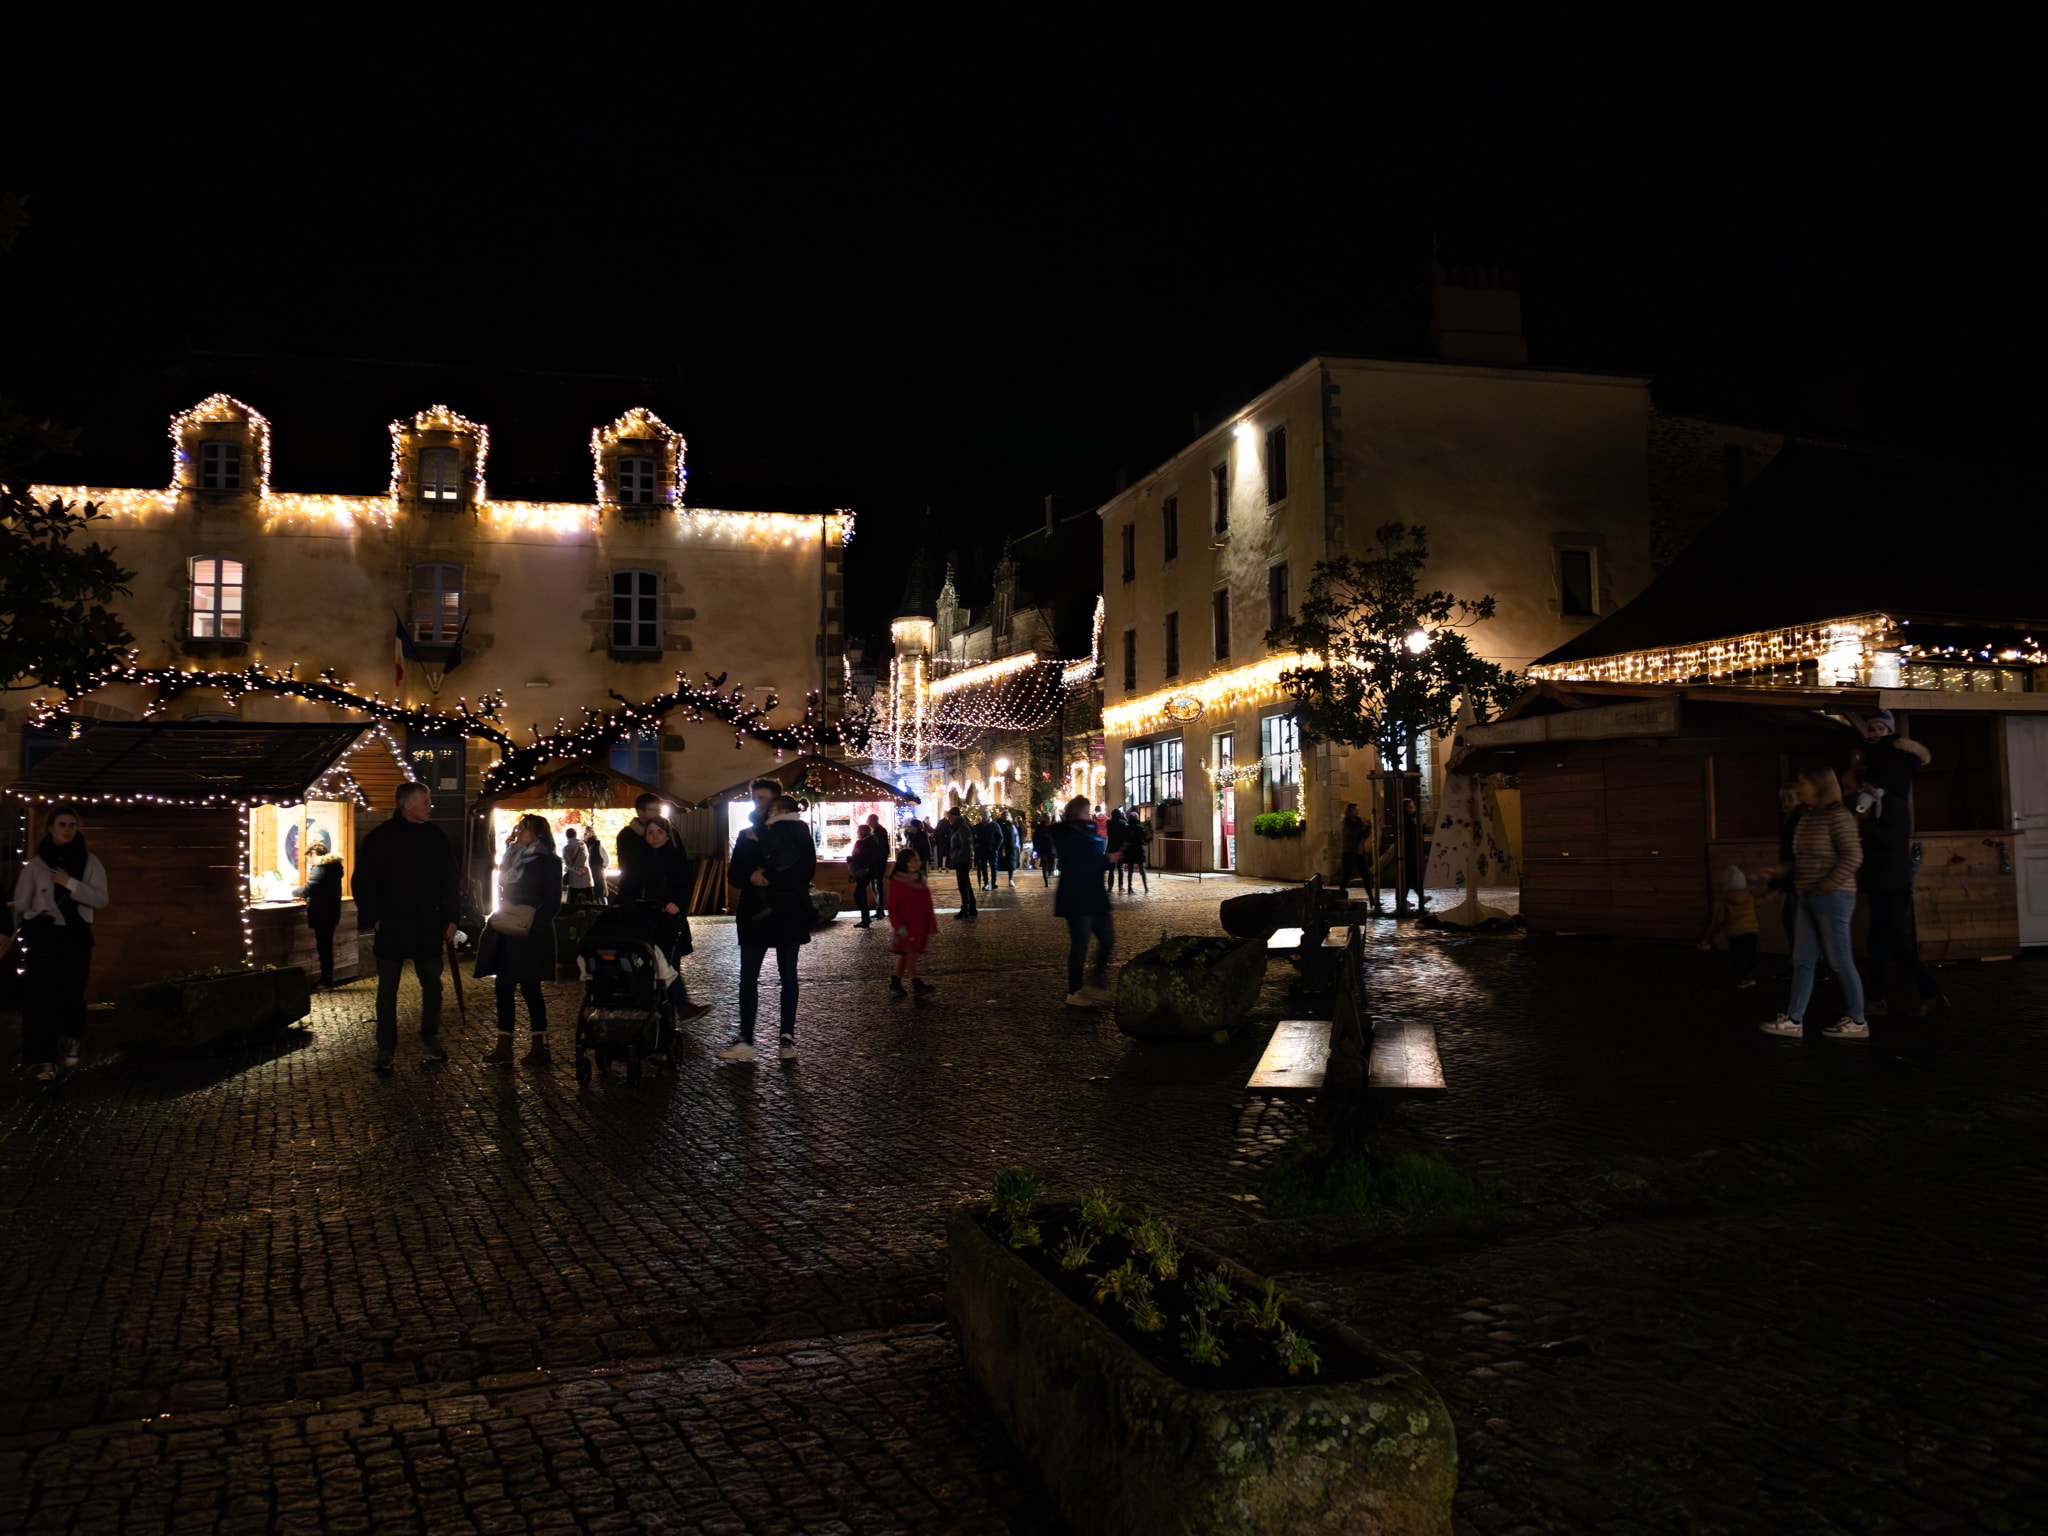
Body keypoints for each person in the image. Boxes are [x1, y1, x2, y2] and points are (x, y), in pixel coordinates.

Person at [353, 782, 461, 1072]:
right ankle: (386, 1047)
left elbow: (450, 879)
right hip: (393, 924)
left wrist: (451, 916)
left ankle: (430, 1034)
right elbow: (363, 881)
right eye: (424, 800)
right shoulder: (381, 838)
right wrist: (374, 916)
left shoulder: (435, 837)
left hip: (427, 924)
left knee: (433, 986)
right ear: (405, 803)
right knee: (388, 990)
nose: (429, 805)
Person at [1849, 710, 1947, 1017]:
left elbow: (1890, 842)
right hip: (1884, 881)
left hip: (1889, 882)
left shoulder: (1890, 805)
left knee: (1882, 943)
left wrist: (1863, 824)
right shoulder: (1883, 802)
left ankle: (1878, 999)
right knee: (1892, 944)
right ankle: (1924, 992)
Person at [1761, 768, 1869, 1040]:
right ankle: (1794, 1019)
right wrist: (1782, 872)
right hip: (1807, 896)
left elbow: (1853, 856)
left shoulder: (1838, 816)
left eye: (1805, 784)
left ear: (1820, 788)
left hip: (1832, 897)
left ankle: (1858, 1019)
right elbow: (1805, 859)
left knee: (1839, 960)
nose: (1799, 789)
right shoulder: (1807, 816)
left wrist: (1827, 885)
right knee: (1803, 960)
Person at [7, 803, 109, 1080]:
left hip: (75, 935)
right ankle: (44, 1060)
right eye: (62, 824)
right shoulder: (37, 865)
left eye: (71, 824)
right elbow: (22, 902)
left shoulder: (90, 862)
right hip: (44, 936)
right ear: (50, 828)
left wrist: (71, 883)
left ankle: (72, 1035)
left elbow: (101, 899)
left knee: (72, 992)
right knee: (41, 998)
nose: (67, 829)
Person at [721, 792, 815, 1062]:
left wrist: (769, 877)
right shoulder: (747, 834)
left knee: (788, 974)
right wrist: (751, 875)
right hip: (755, 914)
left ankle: (787, 1037)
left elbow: (806, 869)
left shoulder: (795, 831)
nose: (760, 802)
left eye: (765, 798)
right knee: (748, 976)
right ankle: (746, 1038)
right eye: (757, 798)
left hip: (787, 911)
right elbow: (735, 875)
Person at [476, 814, 562, 1066]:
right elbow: (503, 885)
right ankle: (504, 1046)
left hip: (530, 931)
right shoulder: (512, 856)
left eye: (524, 828)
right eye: (519, 827)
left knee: (530, 988)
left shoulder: (549, 861)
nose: (519, 831)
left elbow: (553, 901)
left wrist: (533, 925)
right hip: (507, 928)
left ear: (537, 833)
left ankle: (539, 1047)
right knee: (503, 986)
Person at [617, 815, 713, 1027]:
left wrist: (677, 903)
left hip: (668, 920)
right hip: (644, 918)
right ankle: (664, 1010)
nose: (654, 837)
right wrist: (621, 904)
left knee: (668, 963)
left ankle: (674, 1010)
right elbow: (629, 883)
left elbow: (684, 885)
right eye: (650, 833)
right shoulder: (640, 857)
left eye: (659, 832)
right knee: (652, 963)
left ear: (667, 835)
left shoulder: (675, 857)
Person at [1054, 796, 1114, 1006]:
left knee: (1107, 938)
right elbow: (1080, 863)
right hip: (1077, 897)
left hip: (1093, 895)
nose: (1090, 815)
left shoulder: (1086, 831)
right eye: (1087, 811)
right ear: (1078, 813)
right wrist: (1106, 859)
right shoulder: (1069, 835)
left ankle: (1096, 980)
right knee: (1080, 944)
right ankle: (1075, 990)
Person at [292, 835, 345, 988]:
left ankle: (325, 980)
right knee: (326, 946)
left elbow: (309, 888)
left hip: (322, 914)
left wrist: (291, 892)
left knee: (323, 947)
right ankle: (327, 977)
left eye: (309, 858)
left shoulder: (321, 868)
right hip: (330, 913)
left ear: (314, 853)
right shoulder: (333, 867)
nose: (309, 861)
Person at [887, 845, 938, 1000]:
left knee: (906, 953)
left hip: (919, 924)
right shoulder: (897, 882)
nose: (916, 863)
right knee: (910, 952)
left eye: (917, 860)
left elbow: (927, 903)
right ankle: (915, 981)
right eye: (912, 860)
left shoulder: (920, 879)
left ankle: (896, 980)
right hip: (905, 925)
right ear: (904, 863)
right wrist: (899, 926)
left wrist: (930, 923)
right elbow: (892, 906)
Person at [1701, 865, 1760, 988]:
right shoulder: (1749, 897)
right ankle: (1752, 976)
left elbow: (1719, 919)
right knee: (1750, 954)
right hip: (1752, 931)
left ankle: (1745, 978)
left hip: (1736, 933)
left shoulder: (1725, 900)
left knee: (1738, 957)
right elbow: (1762, 901)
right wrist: (1774, 893)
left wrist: (1710, 936)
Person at [614, 793, 665, 906]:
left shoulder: (669, 833)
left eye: (659, 810)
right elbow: (629, 866)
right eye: (654, 810)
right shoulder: (627, 835)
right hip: (633, 894)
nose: (658, 814)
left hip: (662, 896)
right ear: (640, 812)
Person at [850, 817, 886, 929]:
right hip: (870, 869)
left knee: (859, 894)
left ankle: (866, 918)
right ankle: (867, 917)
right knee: (863, 893)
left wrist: (852, 859)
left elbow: (864, 857)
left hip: (865, 870)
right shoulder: (872, 840)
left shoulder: (865, 843)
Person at [947, 809, 978, 919]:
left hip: (963, 860)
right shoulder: (958, 827)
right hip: (960, 859)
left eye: (950, 817)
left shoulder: (962, 827)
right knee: (966, 884)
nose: (949, 819)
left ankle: (965, 908)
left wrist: (958, 857)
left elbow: (965, 845)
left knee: (963, 885)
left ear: (955, 816)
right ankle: (972, 908)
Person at [1337, 802, 1373, 899]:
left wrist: (1368, 828)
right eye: (1355, 810)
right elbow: (1353, 835)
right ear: (1350, 811)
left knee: (1366, 876)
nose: (1357, 812)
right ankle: (1339, 897)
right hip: (1349, 852)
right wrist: (1363, 828)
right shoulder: (1346, 822)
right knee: (1346, 876)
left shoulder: (1359, 822)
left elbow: (1363, 837)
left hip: (1359, 852)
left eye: (1357, 810)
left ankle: (1371, 898)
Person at [562, 826, 596, 905]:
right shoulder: (583, 845)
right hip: (586, 878)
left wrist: (578, 871)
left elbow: (568, 864)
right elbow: (586, 859)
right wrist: (581, 870)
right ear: (575, 835)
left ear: (566, 836)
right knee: (590, 903)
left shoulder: (566, 848)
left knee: (573, 904)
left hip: (574, 880)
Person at [1124, 814, 1150, 894]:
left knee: (1130, 870)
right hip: (1138, 850)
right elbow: (1144, 839)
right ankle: (1145, 886)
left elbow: (1125, 838)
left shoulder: (1127, 828)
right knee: (1142, 868)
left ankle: (1129, 887)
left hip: (1130, 850)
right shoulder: (1139, 828)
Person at [1105, 808, 1129, 892]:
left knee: (1111, 869)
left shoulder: (1109, 823)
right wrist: (1124, 817)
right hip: (1120, 848)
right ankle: (1120, 886)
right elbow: (1127, 828)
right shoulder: (1123, 823)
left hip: (1111, 847)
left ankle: (1110, 887)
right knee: (1120, 869)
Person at [972, 813, 998, 891]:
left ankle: (993, 882)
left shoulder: (994, 825)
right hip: (982, 850)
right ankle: (986, 883)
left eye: (985, 815)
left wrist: (996, 847)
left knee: (993, 866)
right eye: (983, 815)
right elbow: (974, 837)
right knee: (983, 867)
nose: (983, 817)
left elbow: (1000, 837)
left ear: (989, 816)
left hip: (992, 850)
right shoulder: (978, 826)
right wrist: (976, 844)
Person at [1032, 813, 1057, 886]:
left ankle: (1048, 875)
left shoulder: (1053, 827)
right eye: (1047, 817)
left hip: (1052, 849)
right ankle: (1046, 879)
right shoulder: (1039, 828)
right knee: (1045, 864)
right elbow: (1035, 838)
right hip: (1043, 848)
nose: (1048, 819)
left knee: (1051, 865)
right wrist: (1036, 848)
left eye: (1049, 817)